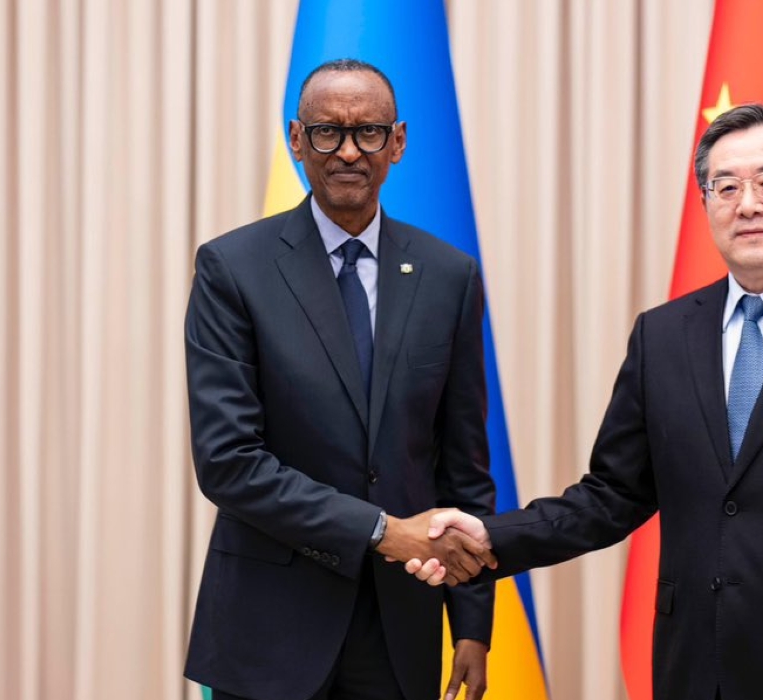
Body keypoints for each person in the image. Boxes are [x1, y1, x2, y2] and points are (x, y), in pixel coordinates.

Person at [407, 104, 763, 700]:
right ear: (706, 205)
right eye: (726, 187)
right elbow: (612, 495)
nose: (748, 204)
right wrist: (490, 538)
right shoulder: (662, 336)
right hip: (695, 670)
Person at [183, 58, 497, 700]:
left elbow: (462, 464)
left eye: (369, 132)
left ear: (399, 142)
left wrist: (472, 622)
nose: (349, 151)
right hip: (268, 626)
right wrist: (382, 530)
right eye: (327, 132)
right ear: (297, 140)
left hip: (401, 628)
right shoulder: (232, 268)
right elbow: (229, 463)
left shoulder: (450, 276)